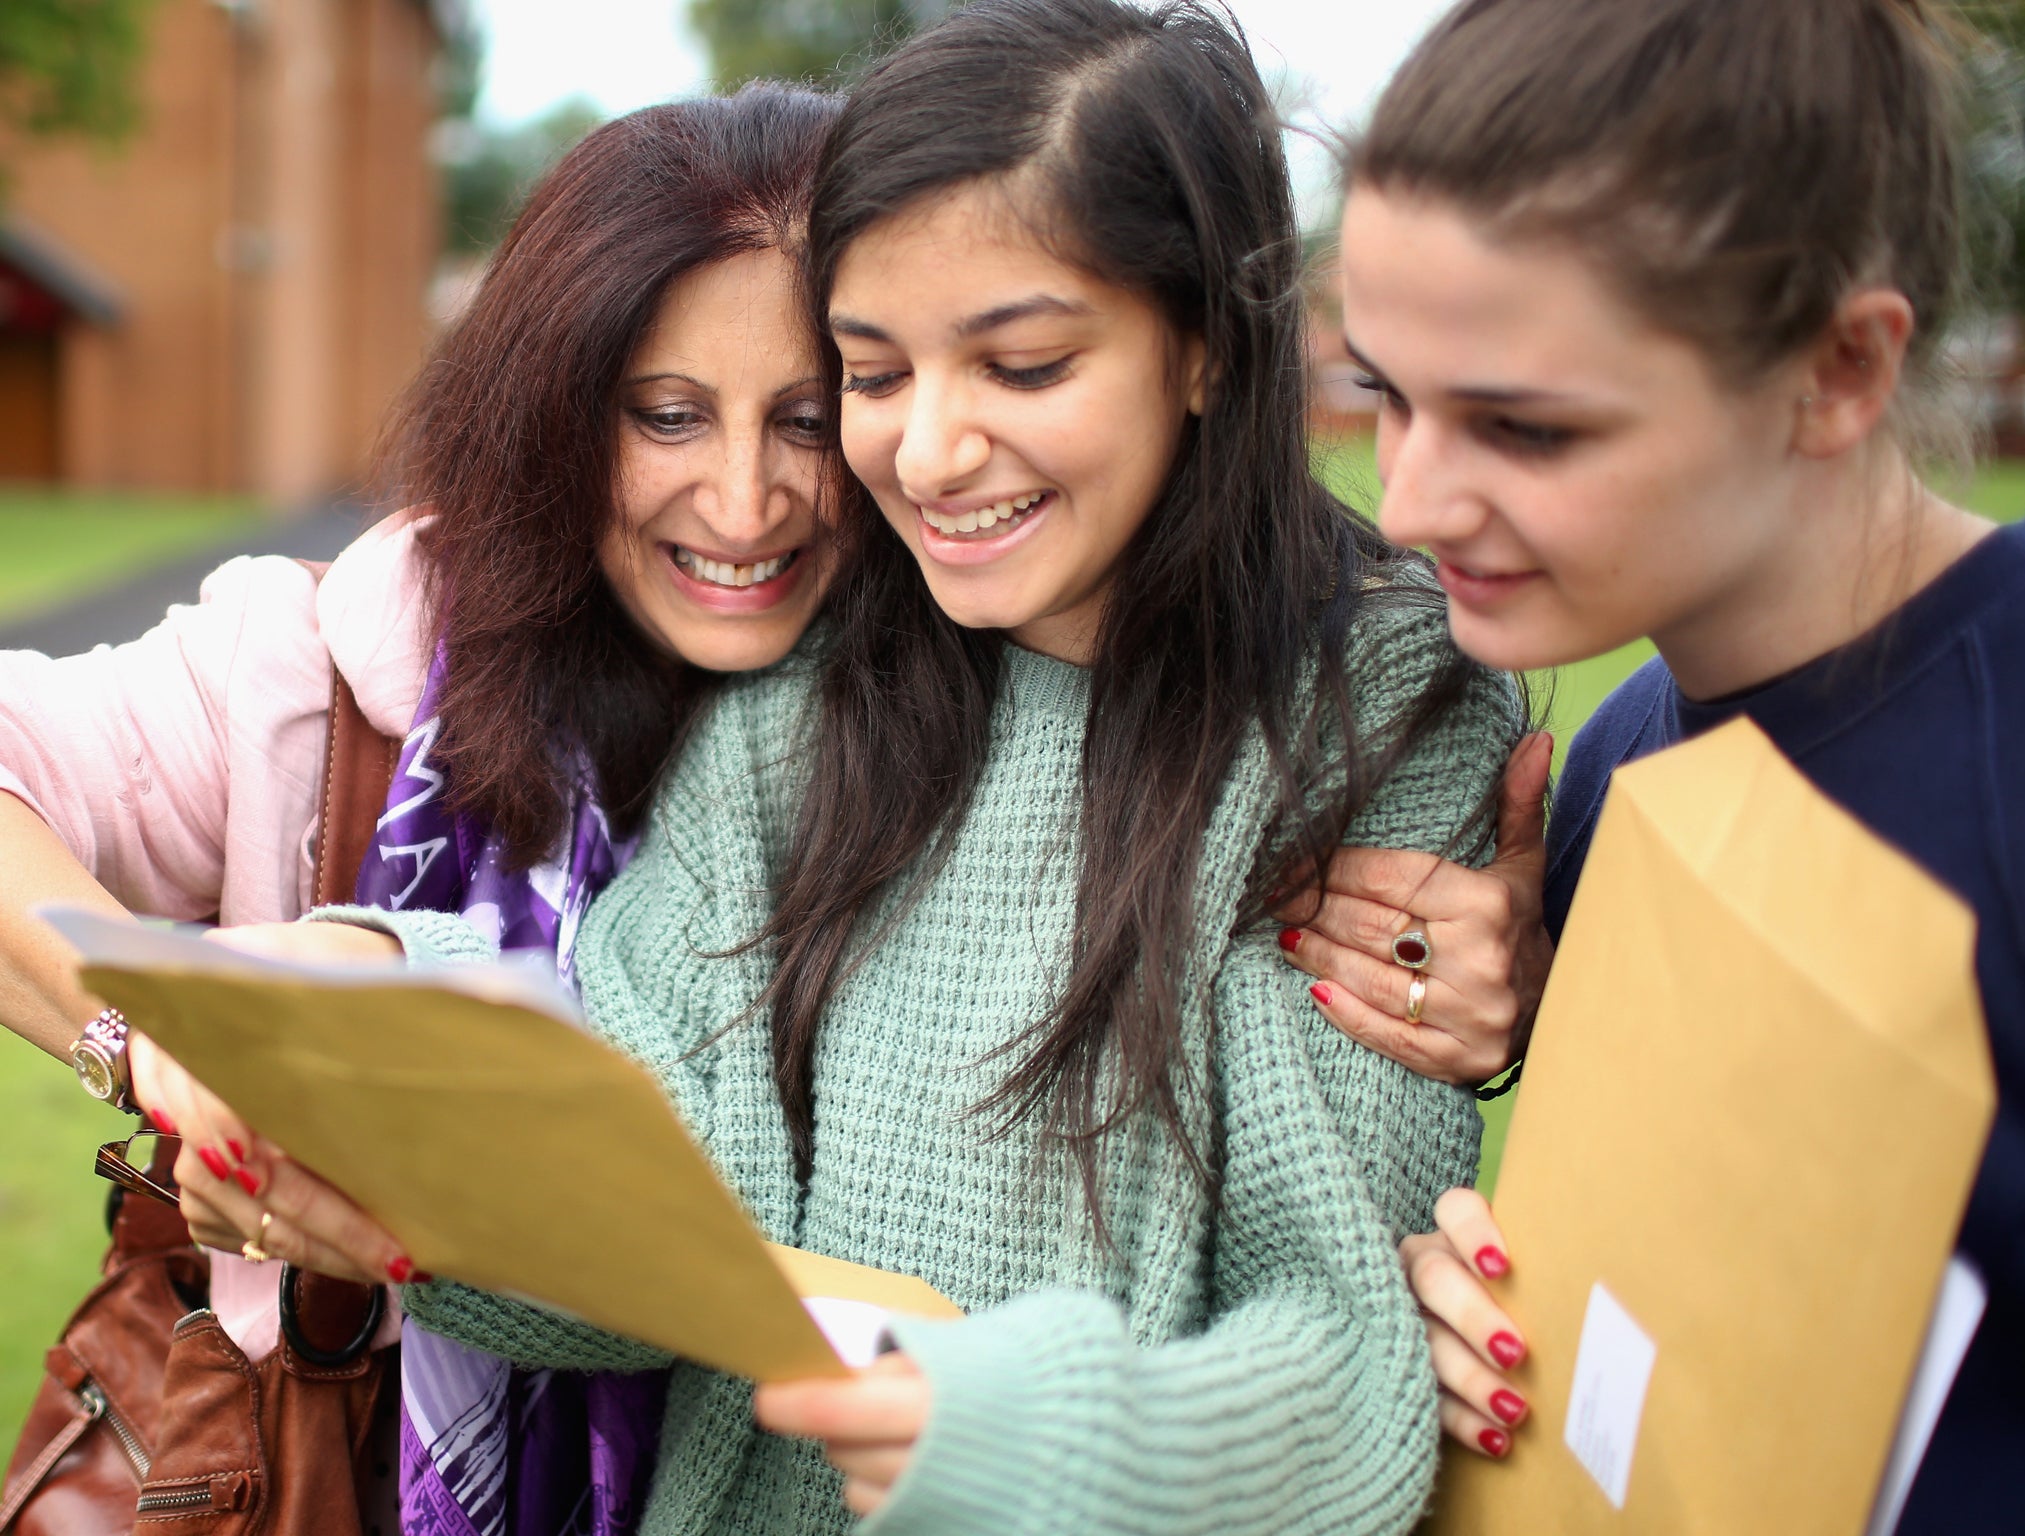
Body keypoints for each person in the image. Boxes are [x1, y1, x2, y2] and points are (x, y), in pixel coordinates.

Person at [280, 1, 1525, 1530]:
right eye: (875, 376)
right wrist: (372, 1121)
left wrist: (1028, 1430)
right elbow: (667, 1234)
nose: (930, 453)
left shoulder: (1371, 723)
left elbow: (1346, 1366)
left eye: (1021, 366)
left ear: (1203, 347)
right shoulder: (810, 695)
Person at [0, 87, 842, 1536]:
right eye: (669, 414)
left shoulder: (967, 720)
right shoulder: (324, 676)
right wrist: (162, 1048)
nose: (747, 497)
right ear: (556, 405)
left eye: (810, 418)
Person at [1335, 0, 2025, 1525]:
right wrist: (1453, 1310)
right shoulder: (1611, 765)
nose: (1406, 501)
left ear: (1841, 369)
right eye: (1388, 393)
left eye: (1521, 428)